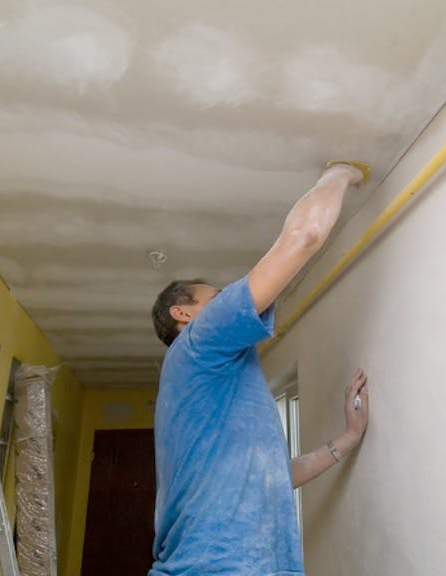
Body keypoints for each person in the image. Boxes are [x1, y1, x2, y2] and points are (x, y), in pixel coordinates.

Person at [148, 163, 371, 576]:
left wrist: (347, 438)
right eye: (215, 295)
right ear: (183, 313)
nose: (225, 299)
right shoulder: (200, 341)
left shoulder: (204, 381)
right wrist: (339, 174)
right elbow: (305, 236)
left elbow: (272, 478)